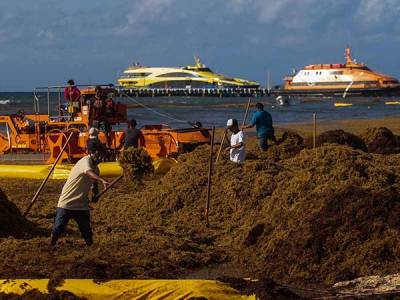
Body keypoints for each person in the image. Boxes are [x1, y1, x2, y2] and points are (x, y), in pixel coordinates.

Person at [50, 149, 110, 246]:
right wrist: (102, 180)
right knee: (58, 227)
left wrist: (95, 196)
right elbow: (88, 172)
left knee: (86, 230)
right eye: (100, 157)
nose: (101, 160)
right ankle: (51, 246)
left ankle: (91, 248)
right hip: (67, 201)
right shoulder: (85, 161)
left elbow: (94, 186)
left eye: (103, 158)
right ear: (95, 153)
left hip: (82, 204)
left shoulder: (96, 169)